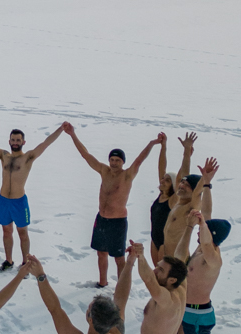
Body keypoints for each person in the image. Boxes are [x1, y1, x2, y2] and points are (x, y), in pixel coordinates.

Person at [63, 123, 161, 287]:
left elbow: (139, 160)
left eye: (117, 160)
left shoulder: (127, 175)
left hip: (117, 222)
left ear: (123, 162)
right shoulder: (104, 171)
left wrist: (152, 143)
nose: (114, 163)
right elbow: (86, 155)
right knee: (101, 253)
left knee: (119, 258)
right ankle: (102, 282)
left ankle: (121, 287)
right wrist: (73, 134)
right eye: (112, 160)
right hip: (102, 219)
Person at [0, 120, 66, 270]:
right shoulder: (4, 156)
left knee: (22, 233)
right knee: (6, 231)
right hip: (3, 201)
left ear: (23, 142)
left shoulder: (28, 157)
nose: (15, 142)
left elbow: (45, 143)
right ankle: (8, 261)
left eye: (18, 140)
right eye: (13, 140)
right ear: (9, 141)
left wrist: (61, 129)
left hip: (19, 202)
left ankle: (25, 263)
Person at [174, 210, 230, 334]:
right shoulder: (200, 250)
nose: (199, 232)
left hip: (199, 316)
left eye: (203, 230)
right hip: (188, 311)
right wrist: (195, 221)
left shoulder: (213, 258)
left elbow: (206, 240)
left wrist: (202, 224)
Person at [161, 147, 218, 259]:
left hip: (179, 260)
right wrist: (186, 154)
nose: (182, 186)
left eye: (187, 185)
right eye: (182, 183)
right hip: (167, 257)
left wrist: (205, 179)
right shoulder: (178, 202)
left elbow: (197, 192)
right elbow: (183, 174)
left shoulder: (191, 207)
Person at [149, 132, 176, 265]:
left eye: (167, 180)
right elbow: (161, 167)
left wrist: (187, 155)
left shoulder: (173, 200)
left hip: (166, 242)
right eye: (163, 178)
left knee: (164, 272)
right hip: (154, 238)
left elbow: (182, 176)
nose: (163, 181)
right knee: (156, 271)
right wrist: (163, 147)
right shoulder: (161, 195)